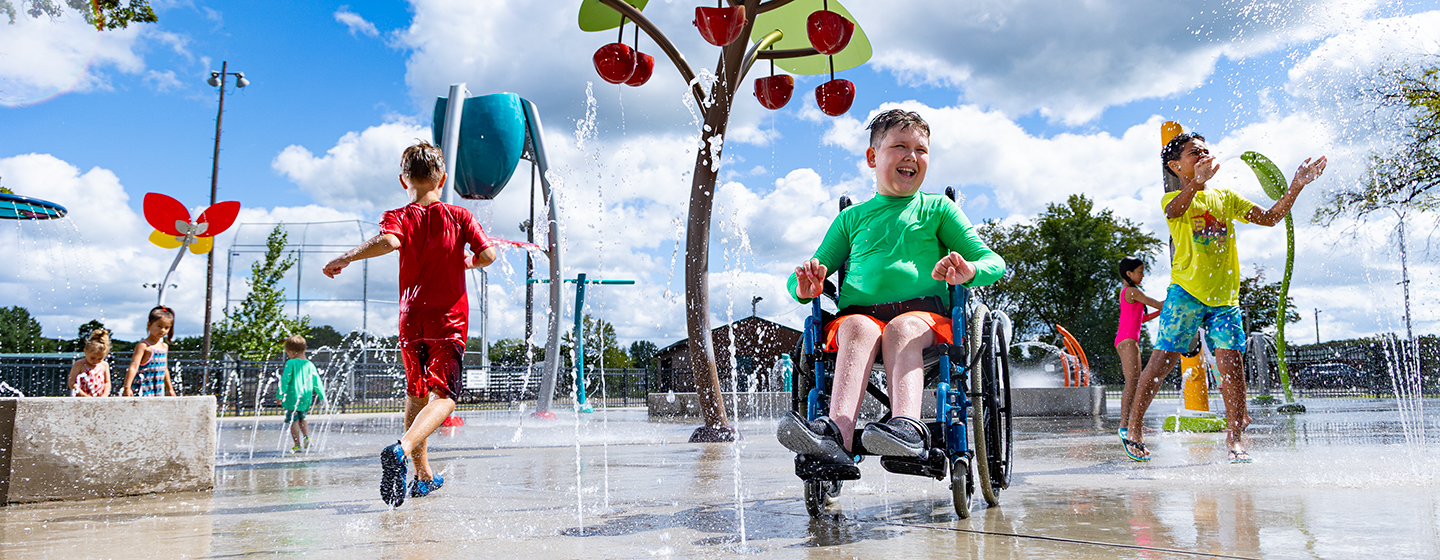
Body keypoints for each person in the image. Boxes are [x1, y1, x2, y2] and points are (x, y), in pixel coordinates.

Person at [776, 109, 1006, 478]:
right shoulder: (851, 219)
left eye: (921, 149)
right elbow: (807, 273)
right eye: (900, 146)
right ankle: (836, 435)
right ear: (873, 157)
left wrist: (970, 269)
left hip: (923, 317)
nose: (912, 156)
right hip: (860, 315)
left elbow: (993, 261)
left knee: (902, 329)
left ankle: (905, 430)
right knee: (856, 329)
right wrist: (803, 286)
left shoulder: (938, 209)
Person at [1122, 132, 1325, 463]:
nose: (1203, 155)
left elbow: (1271, 218)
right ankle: (1134, 427)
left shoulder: (1226, 197)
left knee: (1232, 365)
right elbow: (1175, 212)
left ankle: (1235, 437)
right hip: (1185, 294)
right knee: (1162, 363)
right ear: (1176, 166)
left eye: (1205, 150)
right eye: (1193, 153)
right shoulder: (1174, 198)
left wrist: (1297, 185)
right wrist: (1195, 184)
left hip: (1223, 299)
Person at [322, 140, 496, 507]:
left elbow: (388, 241)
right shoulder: (460, 216)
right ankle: (401, 450)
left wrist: (346, 257)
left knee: (416, 395)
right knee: (445, 397)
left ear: (404, 181)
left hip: (409, 319)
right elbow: (488, 254)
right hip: (447, 321)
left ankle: (422, 476)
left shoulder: (397, 214)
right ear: (443, 178)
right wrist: (467, 262)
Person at [1114, 256, 1163, 442]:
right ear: (1129, 273)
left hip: (1127, 340)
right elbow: (1157, 303)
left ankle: (1134, 423)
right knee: (1133, 383)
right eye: (1140, 272)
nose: (1142, 275)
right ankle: (1124, 424)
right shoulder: (1132, 291)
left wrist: (1160, 312)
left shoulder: (1129, 292)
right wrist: (1175, 299)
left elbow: (1141, 319)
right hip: (1127, 341)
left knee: (1136, 382)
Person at [278, 335, 326, 452]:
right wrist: (322, 396)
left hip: (292, 397)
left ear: (290, 351)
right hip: (306, 397)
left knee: (293, 420)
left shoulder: (291, 363)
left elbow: (285, 380)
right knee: (302, 418)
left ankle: (297, 444)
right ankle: (307, 438)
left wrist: (280, 395)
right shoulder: (310, 364)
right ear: (304, 350)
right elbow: (317, 382)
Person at [123, 306, 176, 397]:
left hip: (157, 391)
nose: (162, 330)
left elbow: (165, 369)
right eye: (159, 326)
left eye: (166, 328)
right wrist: (127, 388)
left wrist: (170, 389)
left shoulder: (164, 347)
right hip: (142, 390)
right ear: (149, 325)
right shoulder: (144, 346)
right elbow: (133, 367)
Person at [69, 328, 112, 397]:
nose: (96, 361)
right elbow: (72, 383)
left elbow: (107, 382)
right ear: (85, 351)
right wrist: (83, 395)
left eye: (100, 359)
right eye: (92, 358)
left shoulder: (104, 365)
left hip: (99, 399)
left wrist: (105, 395)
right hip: (82, 399)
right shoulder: (80, 364)